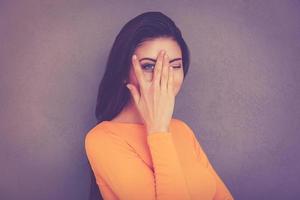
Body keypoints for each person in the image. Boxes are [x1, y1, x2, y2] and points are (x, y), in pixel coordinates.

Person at [85, 11, 234, 200]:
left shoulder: (182, 131)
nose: (164, 76)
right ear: (123, 73)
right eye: (148, 66)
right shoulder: (102, 139)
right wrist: (158, 131)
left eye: (175, 65)